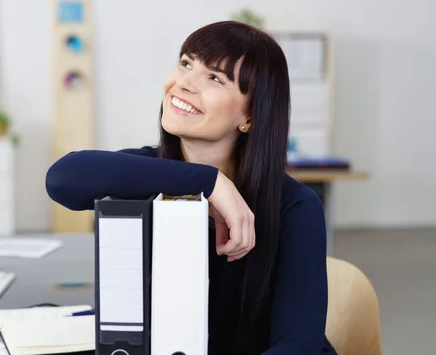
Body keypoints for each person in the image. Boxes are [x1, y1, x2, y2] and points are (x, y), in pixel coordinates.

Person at [46, 21, 337, 354]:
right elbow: (62, 179)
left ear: (251, 115)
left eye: (214, 78)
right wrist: (208, 181)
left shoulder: (295, 206)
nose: (183, 83)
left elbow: (298, 345)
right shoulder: (149, 173)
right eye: (186, 63)